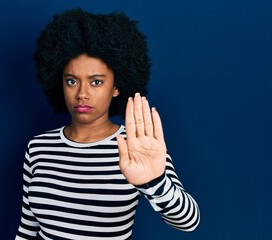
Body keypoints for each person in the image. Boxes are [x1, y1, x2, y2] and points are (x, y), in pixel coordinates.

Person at [16, 8, 200, 240]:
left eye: (96, 82)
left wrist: (154, 182)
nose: (82, 93)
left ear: (116, 87)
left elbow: (189, 222)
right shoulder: (39, 148)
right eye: (71, 81)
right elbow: (27, 229)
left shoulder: (136, 147)